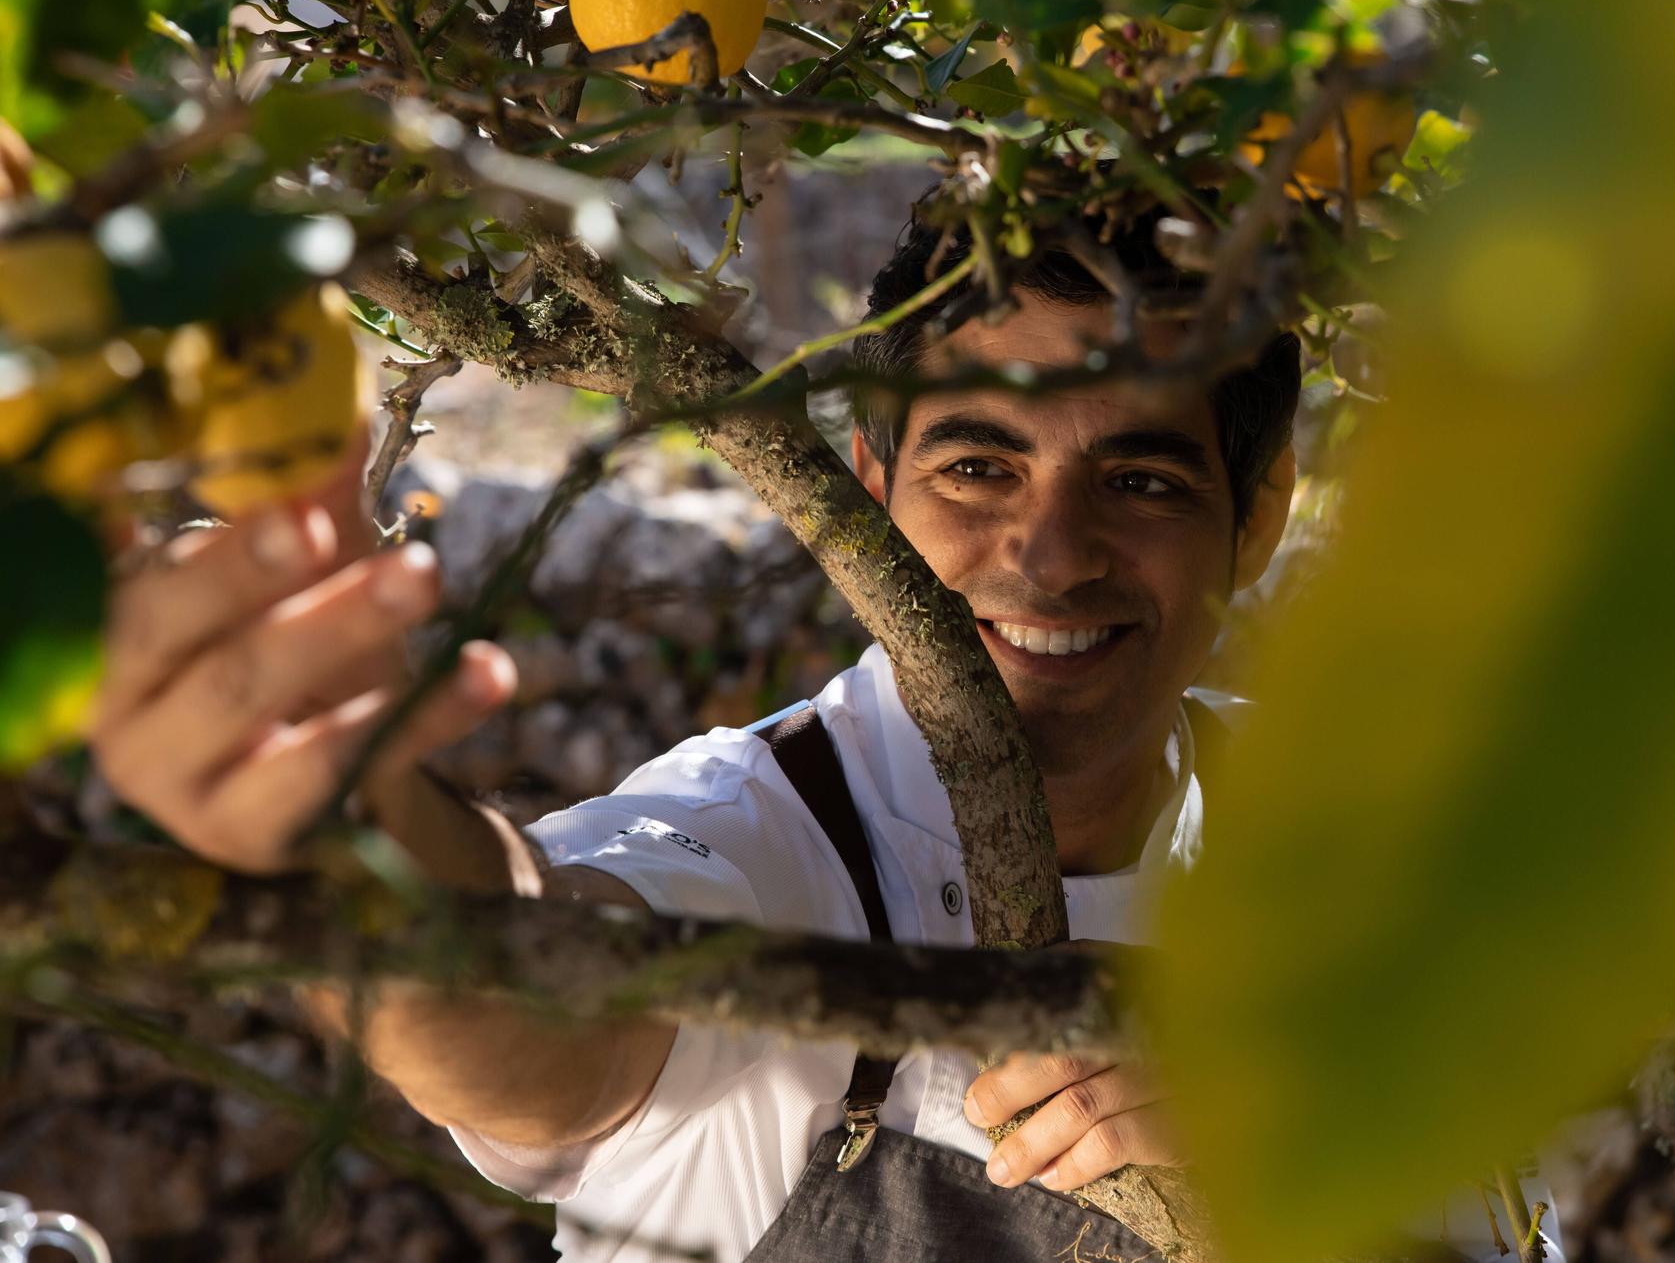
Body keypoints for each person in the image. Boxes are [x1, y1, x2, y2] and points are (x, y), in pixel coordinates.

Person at [88, 203, 1562, 1262]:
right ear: (865, 487)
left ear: (1262, 514)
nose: (1050, 556)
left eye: (1144, 481)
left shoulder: (1388, 862)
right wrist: (351, 829)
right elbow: (529, 1011)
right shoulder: (756, 841)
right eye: (979, 464)